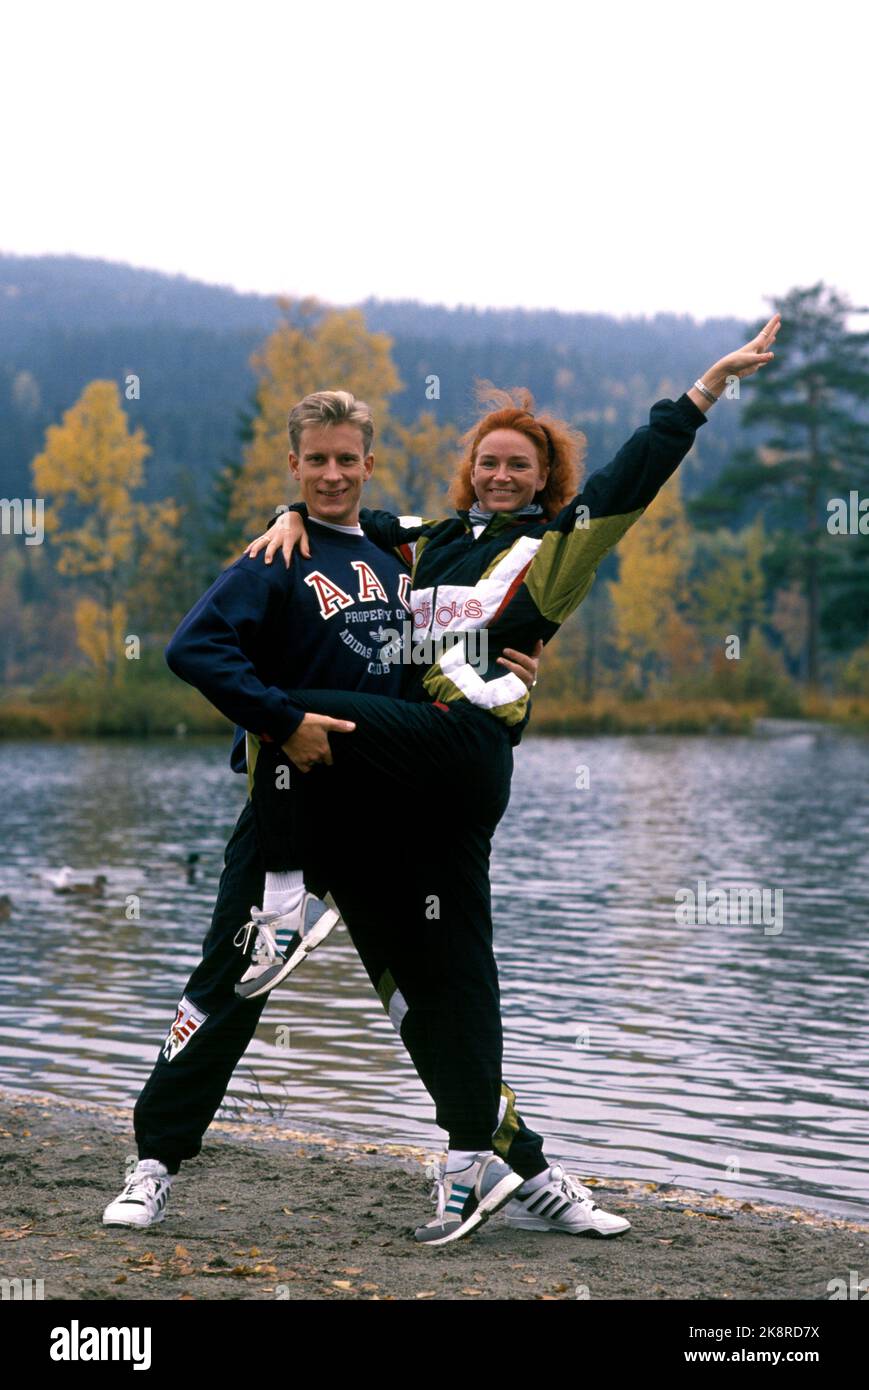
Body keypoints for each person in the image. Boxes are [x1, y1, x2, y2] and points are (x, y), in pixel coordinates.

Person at [235, 314, 781, 1240]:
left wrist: (702, 393)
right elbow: (345, 516)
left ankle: (287, 901)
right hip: (401, 774)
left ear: (544, 483)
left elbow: (633, 479)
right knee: (430, 989)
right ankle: (517, 1167)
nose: (499, 475)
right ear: (469, 471)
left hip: (462, 756)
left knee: (285, 708)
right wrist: (289, 512)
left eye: (518, 467)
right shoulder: (428, 537)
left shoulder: (555, 547)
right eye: (487, 462)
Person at [102, 392, 621, 1244]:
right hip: (288, 815)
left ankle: (518, 1167)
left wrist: (513, 683)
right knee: (227, 989)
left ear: (369, 465)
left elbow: (456, 642)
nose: (333, 475)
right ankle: (154, 1163)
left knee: (433, 1000)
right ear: (295, 466)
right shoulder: (275, 554)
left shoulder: (400, 551)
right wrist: (279, 719)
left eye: (348, 460)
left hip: (387, 814)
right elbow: (196, 648)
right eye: (316, 462)